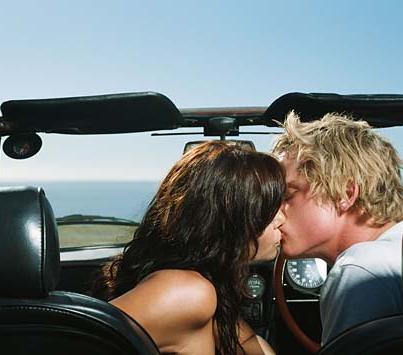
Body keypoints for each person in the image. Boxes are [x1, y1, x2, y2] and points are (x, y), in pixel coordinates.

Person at [102, 140, 286, 355]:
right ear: (229, 220)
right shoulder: (189, 291)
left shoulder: (208, 286)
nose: (281, 219)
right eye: (269, 208)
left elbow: (250, 345)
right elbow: (77, 341)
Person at [271, 111, 403, 345]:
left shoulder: (360, 270)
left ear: (345, 194)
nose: (275, 213)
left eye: (287, 196)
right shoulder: (400, 248)